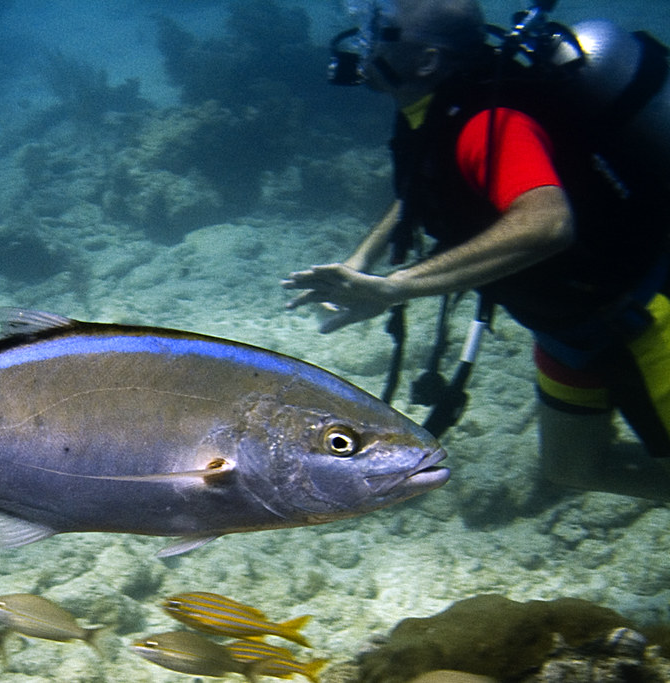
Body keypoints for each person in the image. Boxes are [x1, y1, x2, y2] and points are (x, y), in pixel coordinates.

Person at [282, 0, 670, 500]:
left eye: (381, 31)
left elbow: (548, 222)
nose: (364, 40)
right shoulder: (432, 111)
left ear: (425, 62)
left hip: (643, 321)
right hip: (565, 330)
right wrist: (362, 261)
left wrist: (395, 288)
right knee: (575, 466)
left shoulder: (489, 122)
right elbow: (423, 189)